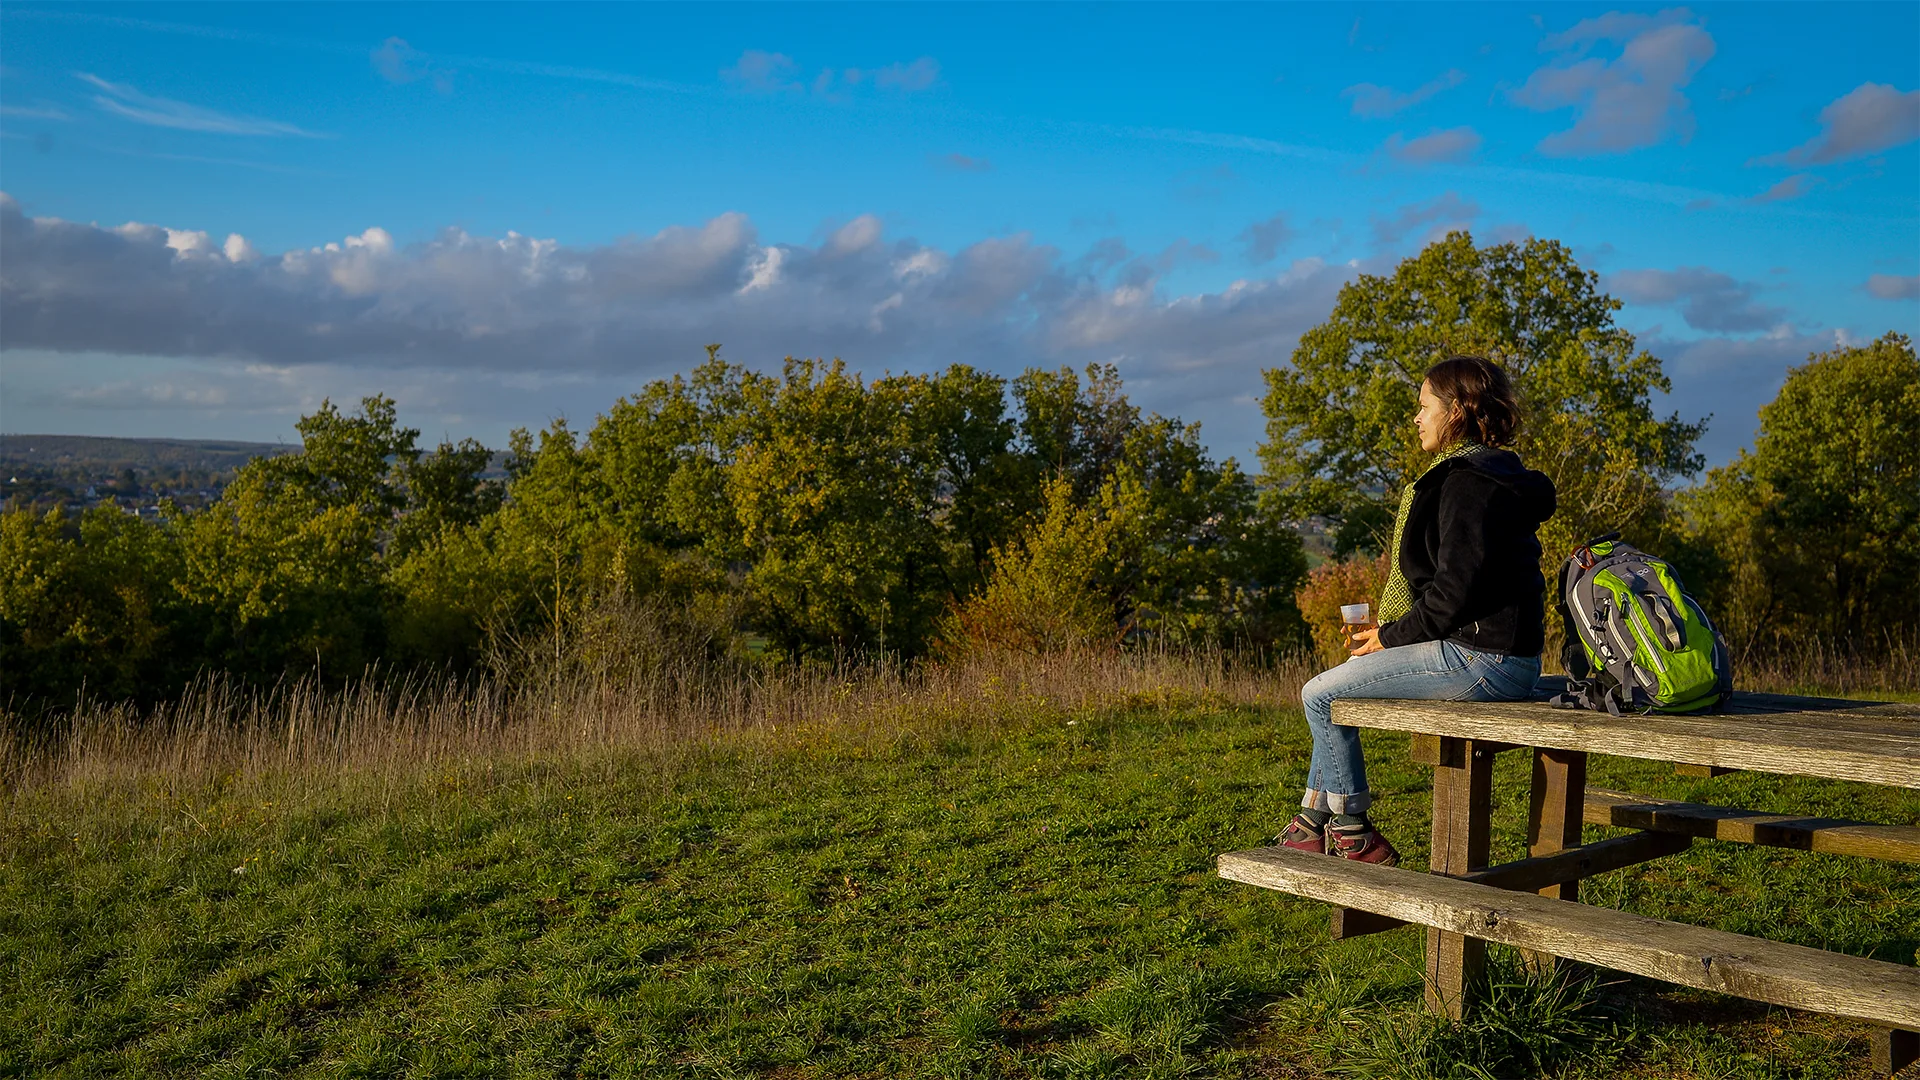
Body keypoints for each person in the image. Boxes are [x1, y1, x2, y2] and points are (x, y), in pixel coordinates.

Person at [1278, 355, 1557, 865]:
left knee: (1317, 694)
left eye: (1424, 406)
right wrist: (1390, 636)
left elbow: (1453, 590)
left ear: (1456, 413)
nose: (1416, 417)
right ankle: (1313, 821)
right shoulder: (1494, 474)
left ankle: (1352, 829)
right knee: (1343, 679)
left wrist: (1391, 635)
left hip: (1483, 661)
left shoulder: (1466, 483)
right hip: (1505, 656)